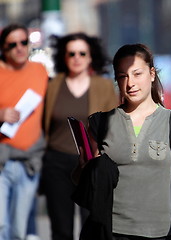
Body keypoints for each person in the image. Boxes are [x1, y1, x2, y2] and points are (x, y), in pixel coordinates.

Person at [74, 43, 171, 240]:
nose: (130, 83)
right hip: (109, 232)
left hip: (157, 232)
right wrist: (83, 167)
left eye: (137, 74)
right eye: (123, 76)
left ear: (151, 74)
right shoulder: (100, 123)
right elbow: (88, 181)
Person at [41, 32, 119, 240]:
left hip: (91, 165)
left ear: (90, 56)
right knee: (61, 230)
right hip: (56, 164)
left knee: (92, 227)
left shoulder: (103, 87)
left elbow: (113, 126)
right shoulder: (52, 85)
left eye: (82, 53)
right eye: (71, 53)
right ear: (64, 57)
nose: (77, 58)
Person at [0, 23, 48, 240]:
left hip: (30, 161)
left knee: (19, 229)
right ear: (3, 48)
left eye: (24, 42)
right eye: (12, 44)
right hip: (1, 161)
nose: (19, 48)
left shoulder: (40, 71)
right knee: (1, 225)